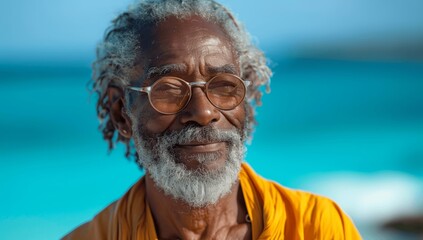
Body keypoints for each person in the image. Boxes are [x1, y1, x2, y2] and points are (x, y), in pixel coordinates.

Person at [63, 0, 361, 239]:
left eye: (223, 85)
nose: (204, 113)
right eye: (167, 88)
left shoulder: (316, 228)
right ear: (121, 115)